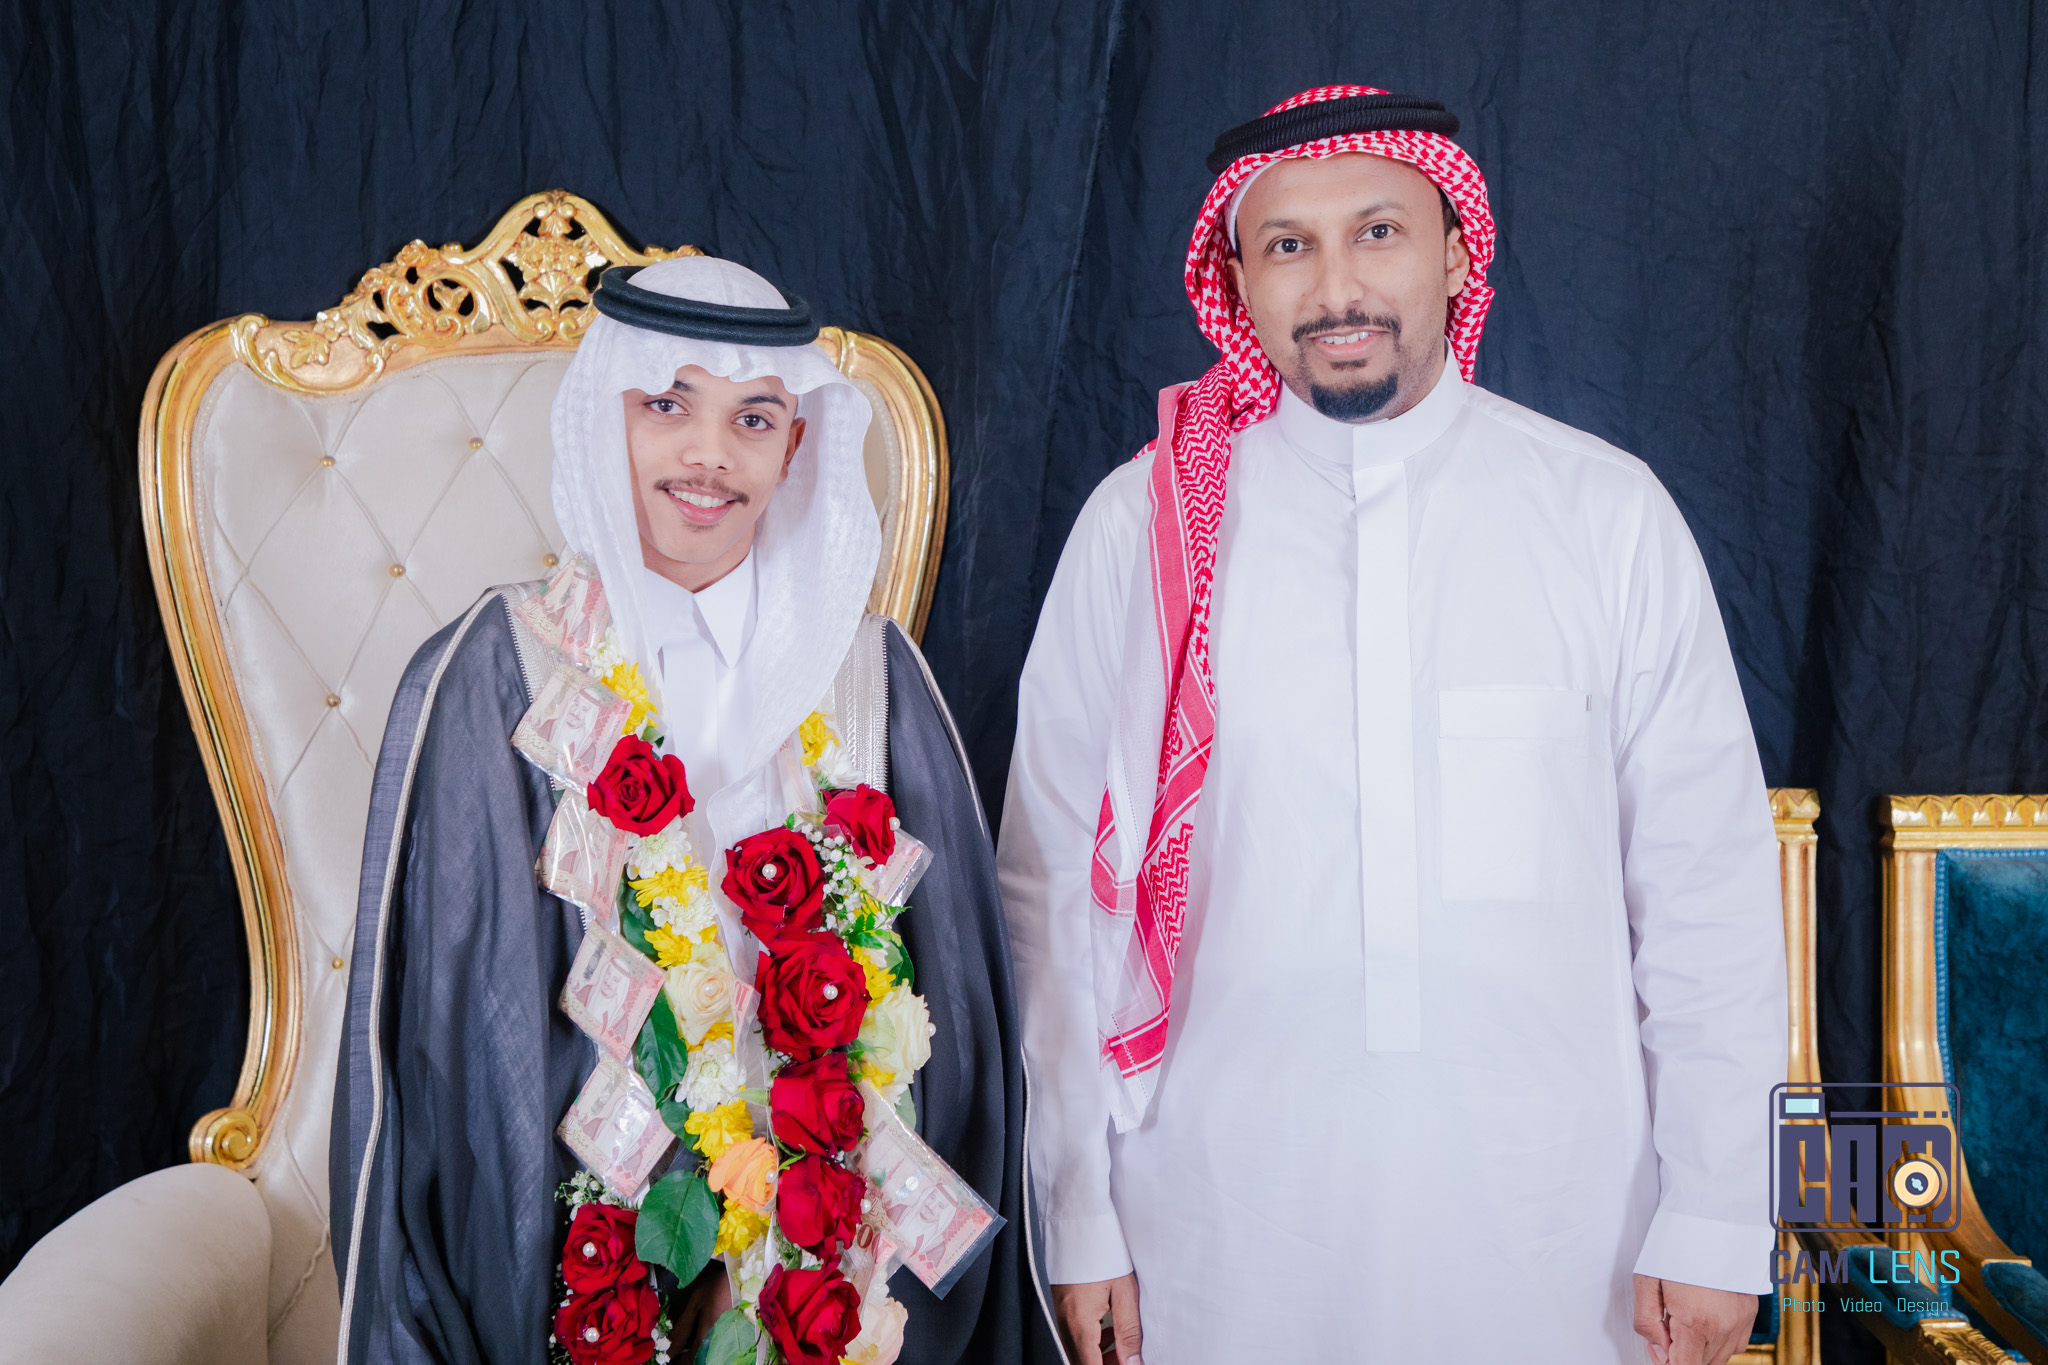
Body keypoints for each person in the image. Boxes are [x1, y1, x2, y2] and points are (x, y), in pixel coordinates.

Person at [999, 85, 1787, 1365]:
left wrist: (1714, 1216)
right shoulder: (1139, 531)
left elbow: (1706, 897)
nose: (1336, 288)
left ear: (1455, 254)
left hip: (1556, 1233)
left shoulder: (1603, 516)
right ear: (1237, 285)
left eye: (1377, 232)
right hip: (1214, 1230)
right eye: (1287, 246)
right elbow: (1046, 898)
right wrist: (1077, 1210)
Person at [331, 255, 1056, 1365]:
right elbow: (465, 1047)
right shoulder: (501, 669)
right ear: (603, 419)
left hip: (840, 1259)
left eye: (751, 418)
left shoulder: (866, 680)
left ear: (794, 446)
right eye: (666, 406)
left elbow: (960, 1021)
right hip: (589, 1261)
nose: (709, 454)